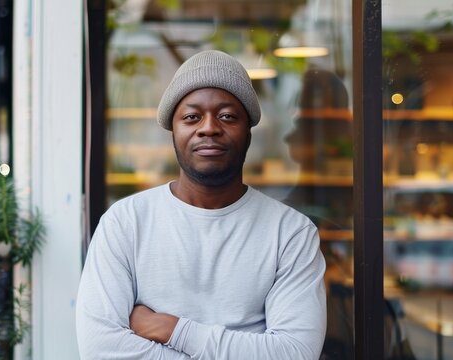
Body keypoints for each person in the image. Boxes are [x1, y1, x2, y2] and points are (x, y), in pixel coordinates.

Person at [76, 50, 327, 359]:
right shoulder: (125, 222)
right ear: (174, 130)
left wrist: (172, 329)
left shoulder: (290, 232)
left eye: (227, 116)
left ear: (248, 132)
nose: (209, 128)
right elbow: (100, 349)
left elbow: (295, 353)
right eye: (192, 116)